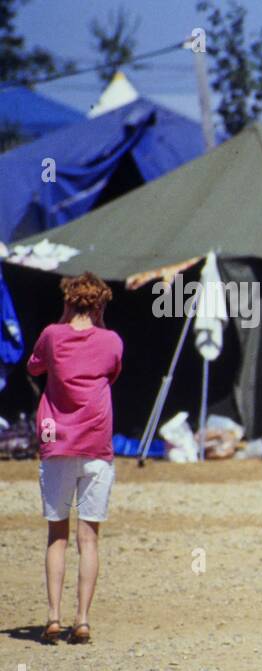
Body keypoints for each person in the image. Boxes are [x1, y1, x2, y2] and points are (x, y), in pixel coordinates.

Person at [27, 272, 123, 645]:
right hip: (96, 446)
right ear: (100, 304)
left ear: (68, 300)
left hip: (57, 443)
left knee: (57, 535)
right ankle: (81, 620)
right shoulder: (112, 340)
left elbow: (35, 366)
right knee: (90, 539)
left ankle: (53, 617)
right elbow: (112, 374)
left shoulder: (52, 335)